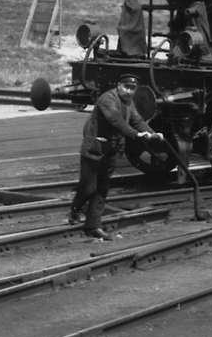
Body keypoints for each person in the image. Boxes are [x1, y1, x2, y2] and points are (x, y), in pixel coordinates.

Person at [68, 74, 164, 240]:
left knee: (102, 189)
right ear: (119, 86)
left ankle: (93, 226)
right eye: (126, 87)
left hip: (111, 150)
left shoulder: (129, 102)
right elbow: (116, 120)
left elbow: (137, 120)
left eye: (133, 89)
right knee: (88, 188)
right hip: (94, 149)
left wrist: (153, 134)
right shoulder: (108, 99)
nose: (129, 92)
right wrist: (136, 135)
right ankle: (74, 210)